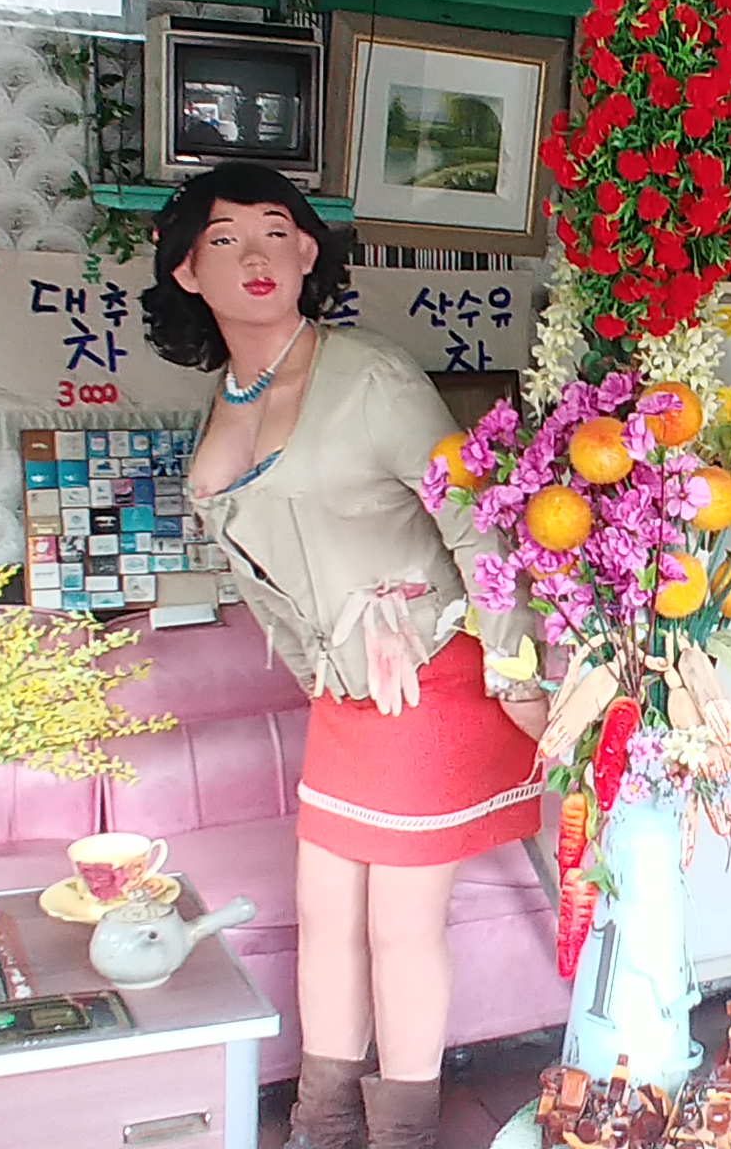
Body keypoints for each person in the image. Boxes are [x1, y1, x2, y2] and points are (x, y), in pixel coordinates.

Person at [142, 162, 549, 1149]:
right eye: (226, 236)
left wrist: (516, 669)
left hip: (436, 671)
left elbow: (475, 521)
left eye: (276, 230)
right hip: (348, 690)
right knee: (324, 915)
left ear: (308, 252)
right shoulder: (229, 395)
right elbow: (259, 572)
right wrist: (319, 660)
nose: (256, 254)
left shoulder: (370, 374)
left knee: (398, 924)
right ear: (187, 270)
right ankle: (321, 1126)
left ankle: (402, 1132)